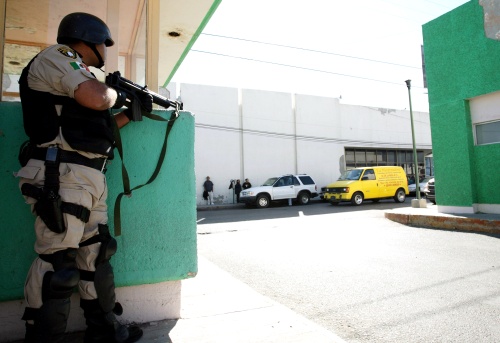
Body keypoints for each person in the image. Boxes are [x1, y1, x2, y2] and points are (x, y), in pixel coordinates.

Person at [15, 12, 150, 343]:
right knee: (58, 261)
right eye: (104, 42)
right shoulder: (59, 57)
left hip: (87, 177)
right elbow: (95, 97)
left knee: (97, 253)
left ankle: (104, 332)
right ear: (91, 38)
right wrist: (119, 95)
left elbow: (95, 126)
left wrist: (131, 114)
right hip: (61, 174)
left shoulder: (81, 76)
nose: (106, 48)